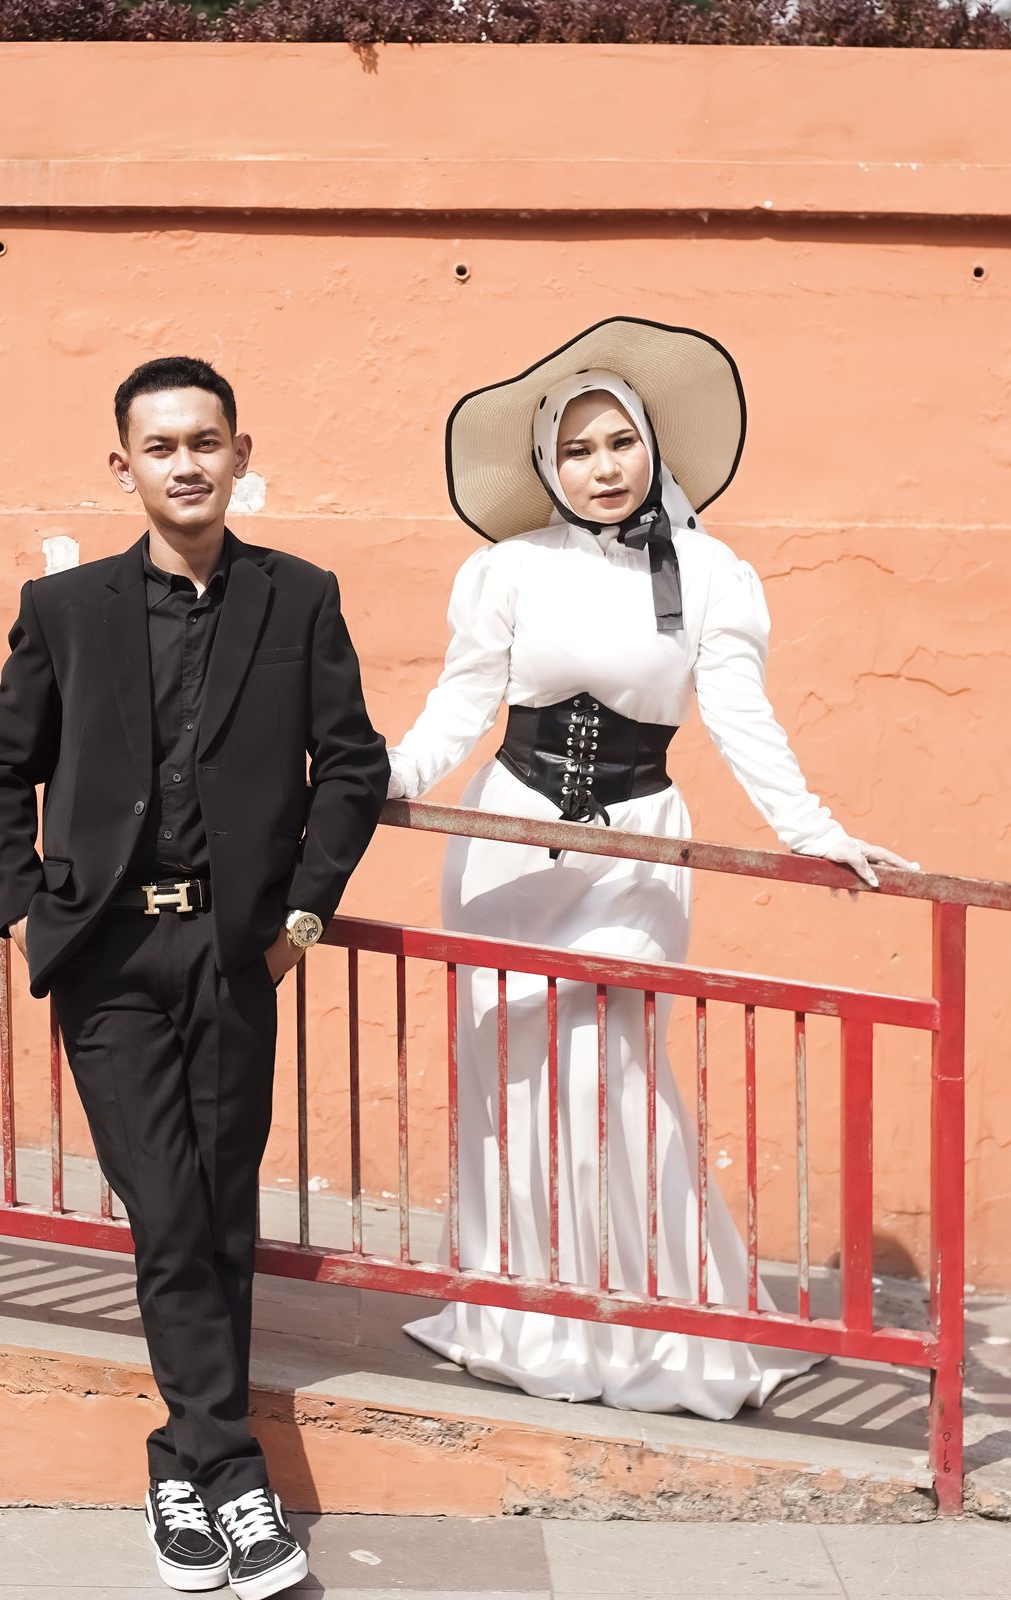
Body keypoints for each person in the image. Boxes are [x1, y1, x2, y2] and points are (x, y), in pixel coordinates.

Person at [386, 317, 917, 1420]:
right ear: (548, 466)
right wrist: (378, 780)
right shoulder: (507, 568)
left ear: (652, 444)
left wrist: (815, 830)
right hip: (506, 841)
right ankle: (522, 1312)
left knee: (609, 1076)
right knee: (508, 1076)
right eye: (577, 450)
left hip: (633, 852)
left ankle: (651, 1315)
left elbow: (741, 715)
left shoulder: (713, 572)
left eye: (619, 442)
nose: (603, 467)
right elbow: (460, 706)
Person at [0, 356, 388, 1597]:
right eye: (161, 446)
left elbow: (350, 766)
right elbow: (1, 764)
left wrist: (302, 914)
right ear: (125, 467)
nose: (187, 464)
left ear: (240, 454)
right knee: (164, 1205)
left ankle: (183, 1470)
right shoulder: (66, 608)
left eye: (206, 441)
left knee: (218, 1210)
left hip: (234, 948)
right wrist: (20, 906)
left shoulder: (299, 596)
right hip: (104, 954)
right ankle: (234, 1472)